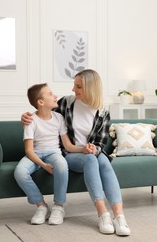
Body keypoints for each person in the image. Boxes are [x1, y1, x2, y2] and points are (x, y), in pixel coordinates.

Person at [21, 70, 131, 236]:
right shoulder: (66, 103)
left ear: (90, 88)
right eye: (74, 85)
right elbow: (43, 115)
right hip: (71, 154)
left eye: (78, 86)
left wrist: (94, 148)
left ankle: (119, 216)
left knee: (103, 162)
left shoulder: (103, 112)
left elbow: (101, 141)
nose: (73, 89)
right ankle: (102, 214)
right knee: (91, 160)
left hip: (89, 152)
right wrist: (26, 116)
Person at [15, 83, 84, 225]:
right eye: (51, 94)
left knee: (62, 164)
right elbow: (29, 151)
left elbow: (68, 146)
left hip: (54, 153)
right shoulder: (30, 120)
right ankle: (41, 206)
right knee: (20, 172)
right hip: (35, 155)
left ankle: (58, 206)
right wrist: (44, 166)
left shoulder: (59, 118)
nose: (55, 96)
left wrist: (84, 149)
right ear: (40, 102)